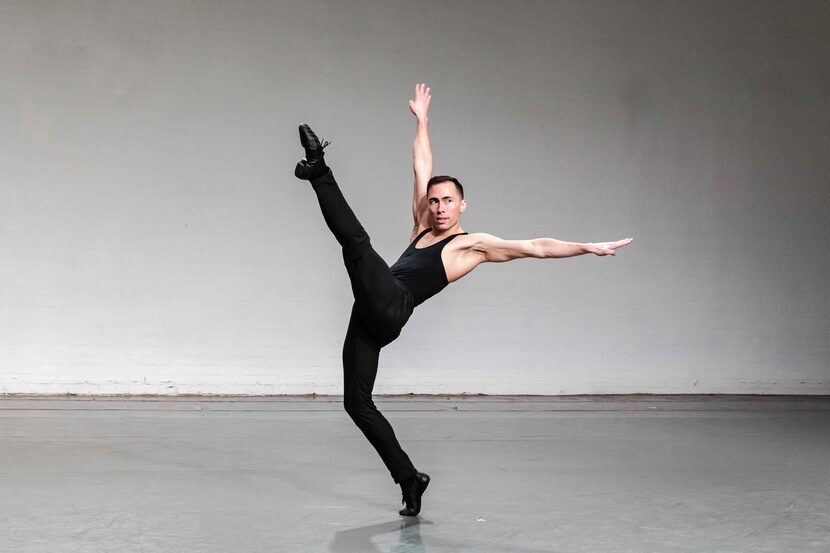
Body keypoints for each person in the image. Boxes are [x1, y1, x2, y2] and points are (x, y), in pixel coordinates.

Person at [294, 84, 633, 516]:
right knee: (356, 404)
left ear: (462, 206)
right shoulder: (421, 224)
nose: (438, 207)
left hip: (394, 305)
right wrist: (422, 121)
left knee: (357, 244)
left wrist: (587, 246)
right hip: (370, 310)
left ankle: (319, 170)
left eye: (448, 201)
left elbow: (536, 246)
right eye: (434, 201)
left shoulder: (469, 245)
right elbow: (421, 164)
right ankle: (410, 479)